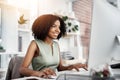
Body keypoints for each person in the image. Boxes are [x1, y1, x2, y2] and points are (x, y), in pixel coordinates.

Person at [19, 14, 87, 78]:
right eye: (54, 26)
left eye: (59, 27)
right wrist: (38, 73)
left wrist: (71, 66)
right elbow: (22, 69)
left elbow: (60, 68)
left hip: (54, 78)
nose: (58, 30)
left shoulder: (56, 45)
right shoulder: (35, 44)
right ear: (44, 26)